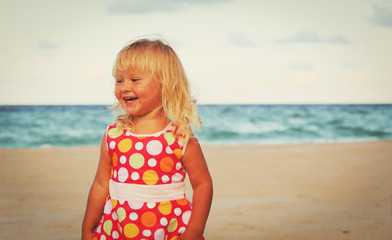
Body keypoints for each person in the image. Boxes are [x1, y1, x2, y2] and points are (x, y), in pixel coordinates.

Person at [81, 38, 213, 240]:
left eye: (135, 80)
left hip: (169, 231)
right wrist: (87, 229)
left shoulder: (179, 136)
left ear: (164, 84)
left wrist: (194, 232)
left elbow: (203, 184)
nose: (125, 87)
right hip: (116, 230)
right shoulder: (113, 135)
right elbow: (100, 185)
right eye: (119, 80)